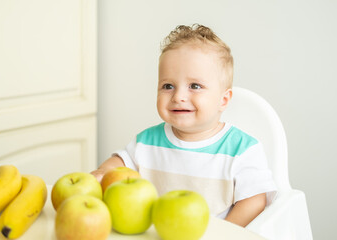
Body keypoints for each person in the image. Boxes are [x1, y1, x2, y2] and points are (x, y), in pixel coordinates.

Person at [91, 24, 277, 227]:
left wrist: (222, 233)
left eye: (195, 86)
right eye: (168, 86)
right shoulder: (147, 142)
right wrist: (102, 173)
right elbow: (121, 163)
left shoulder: (242, 149)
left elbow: (254, 201)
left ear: (223, 100)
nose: (178, 97)